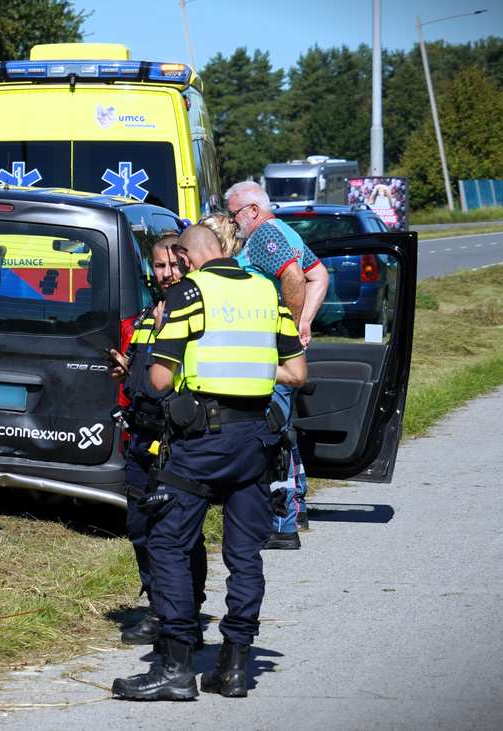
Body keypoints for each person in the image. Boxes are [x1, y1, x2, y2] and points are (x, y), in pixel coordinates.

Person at [112, 224, 307, 701]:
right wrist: (246, 370)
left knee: (169, 543)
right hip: (255, 440)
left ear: (187, 255)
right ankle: (235, 664)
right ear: (223, 249)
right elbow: (296, 372)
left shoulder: (189, 293)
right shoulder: (265, 291)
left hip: (201, 441)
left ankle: (176, 665)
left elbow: (158, 379)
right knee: (244, 555)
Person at [107, 234, 206, 647]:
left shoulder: (198, 313)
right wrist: (126, 373)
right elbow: (146, 375)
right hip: (140, 437)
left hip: (178, 442)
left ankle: (185, 612)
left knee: (180, 533)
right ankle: (157, 606)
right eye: (159, 267)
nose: (166, 274)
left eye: (172, 266)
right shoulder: (147, 316)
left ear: (186, 264)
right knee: (140, 527)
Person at [225, 181, 330, 549]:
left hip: (270, 351)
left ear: (252, 210)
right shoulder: (285, 231)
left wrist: (287, 329)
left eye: (234, 213)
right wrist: (303, 324)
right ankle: (295, 504)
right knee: (284, 430)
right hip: (279, 349)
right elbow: (319, 275)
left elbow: (292, 276)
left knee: (272, 436)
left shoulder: (265, 236)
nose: (232, 221)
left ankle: (280, 523)